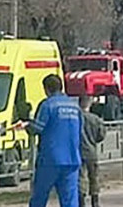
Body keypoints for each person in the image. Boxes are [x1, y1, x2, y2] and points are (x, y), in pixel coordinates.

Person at [26, 74, 82, 207]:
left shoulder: (48, 105)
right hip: (72, 159)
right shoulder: (74, 106)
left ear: (46, 89)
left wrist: (27, 125)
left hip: (50, 159)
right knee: (70, 200)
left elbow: (38, 128)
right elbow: (80, 131)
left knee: (40, 196)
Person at [79, 95, 106, 207]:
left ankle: (81, 202)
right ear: (89, 104)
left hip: (79, 151)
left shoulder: (77, 117)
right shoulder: (95, 119)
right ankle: (95, 201)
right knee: (94, 177)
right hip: (92, 151)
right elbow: (101, 135)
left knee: (81, 178)